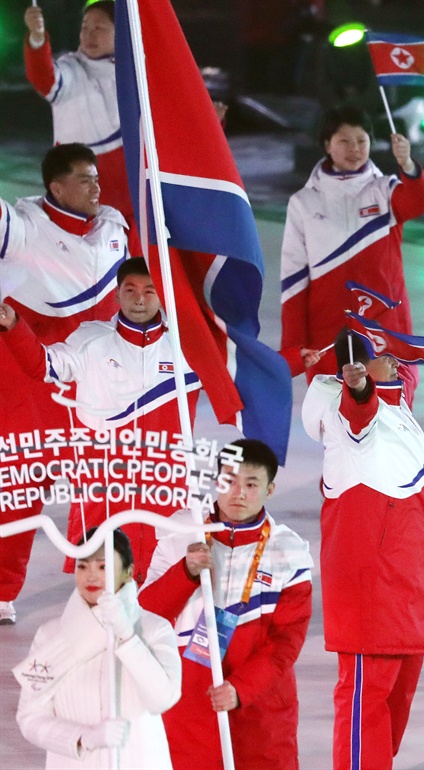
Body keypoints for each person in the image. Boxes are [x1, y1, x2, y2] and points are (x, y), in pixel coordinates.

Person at [0, 258, 200, 585]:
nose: (139, 299)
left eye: (149, 291)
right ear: (116, 296)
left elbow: (249, 376)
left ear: (162, 295)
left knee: (163, 602)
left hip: (166, 495)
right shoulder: (90, 340)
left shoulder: (187, 348)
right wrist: (13, 326)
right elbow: (43, 366)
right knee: (100, 606)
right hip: (105, 496)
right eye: (130, 290)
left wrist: (295, 358)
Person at [0, 142, 128, 625]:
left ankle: (100, 581)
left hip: (96, 377)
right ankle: (1, 590)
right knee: (21, 485)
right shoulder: (23, 228)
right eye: (84, 179)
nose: (96, 186)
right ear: (56, 187)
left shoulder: (114, 227)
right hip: (30, 375)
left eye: (96, 177)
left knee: (103, 483)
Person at [301, 329, 424, 770]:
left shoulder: (400, 407)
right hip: (370, 586)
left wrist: (381, 339)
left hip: (409, 583)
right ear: (352, 371)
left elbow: (406, 372)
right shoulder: (349, 422)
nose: (397, 363)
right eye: (384, 357)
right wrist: (358, 383)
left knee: (397, 696)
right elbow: (358, 408)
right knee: (365, 700)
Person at [139, 438, 313, 770]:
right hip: (189, 702)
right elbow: (145, 615)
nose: (238, 493)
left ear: (270, 489)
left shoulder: (288, 553)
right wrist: (185, 573)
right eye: (229, 481)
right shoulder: (179, 534)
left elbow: (287, 641)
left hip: (260, 709)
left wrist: (242, 688)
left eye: (251, 484)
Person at [279, 106, 424, 379]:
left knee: (391, 410)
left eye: (362, 141)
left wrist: (407, 164)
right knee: (333, 410)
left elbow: (419, 201)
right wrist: (294, 347)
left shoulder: (385, 190)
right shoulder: (303, 202)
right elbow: (293, 277)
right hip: (328, 330)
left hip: (385, 326)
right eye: (344, 141)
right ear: (327, 145)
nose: (355, 149)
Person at [13, 527, 181, 769]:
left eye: (103, 567)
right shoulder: (50, 635)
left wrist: (127, 636)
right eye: (82, 566)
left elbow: (161, 699)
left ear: (128, 572)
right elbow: (30, 718)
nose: (91, 576)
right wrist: (84, 738)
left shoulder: (155, 629)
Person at [23, 1, 138, 255]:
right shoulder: (70, 70)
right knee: (81, 256)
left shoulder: (135, 70)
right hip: (79, 187)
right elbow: (44, 78)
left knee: (138, 265)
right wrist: (38, 38)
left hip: (131, 189)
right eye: (85, 27)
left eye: (99, 27)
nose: (89, 34)